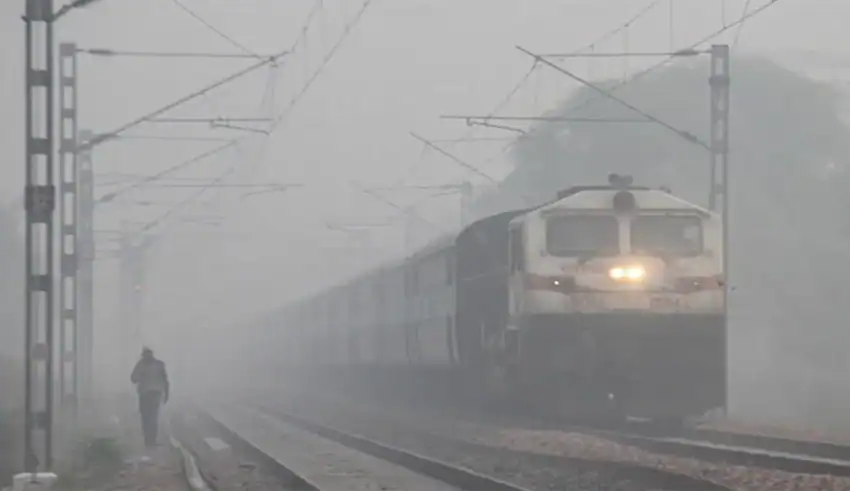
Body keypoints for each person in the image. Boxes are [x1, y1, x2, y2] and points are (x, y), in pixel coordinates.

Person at [130, 347, 170, 448]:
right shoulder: (159, 364)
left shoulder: (141, 364)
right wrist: (166, 394)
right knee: (153, 417)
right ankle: (151, 440)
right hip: (155, 394)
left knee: (146, 417)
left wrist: (141, 377)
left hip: (145, 394)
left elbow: (133, 378)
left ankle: (148, 440)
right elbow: (165, 380)